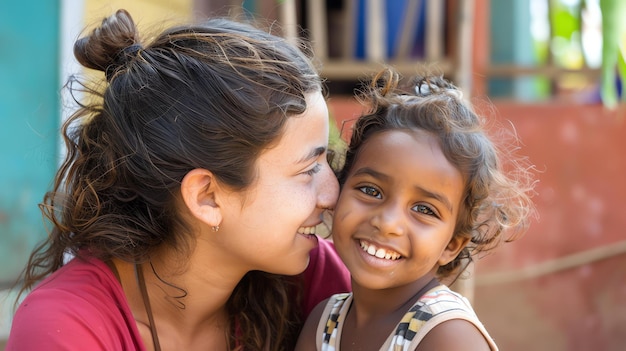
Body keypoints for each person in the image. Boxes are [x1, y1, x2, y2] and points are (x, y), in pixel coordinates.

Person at [7, 9, 351, 351]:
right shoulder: (65, 328)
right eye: (308, 170)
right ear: (207, 196)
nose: (332, 194)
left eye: (326, 161)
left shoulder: (310, 278)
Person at [295, 67, 536, 351]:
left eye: (424, 209)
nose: (387, 223)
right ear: (339, 190)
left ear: (453, 245)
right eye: (371, 191)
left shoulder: (447, 337)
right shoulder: (324, 324)